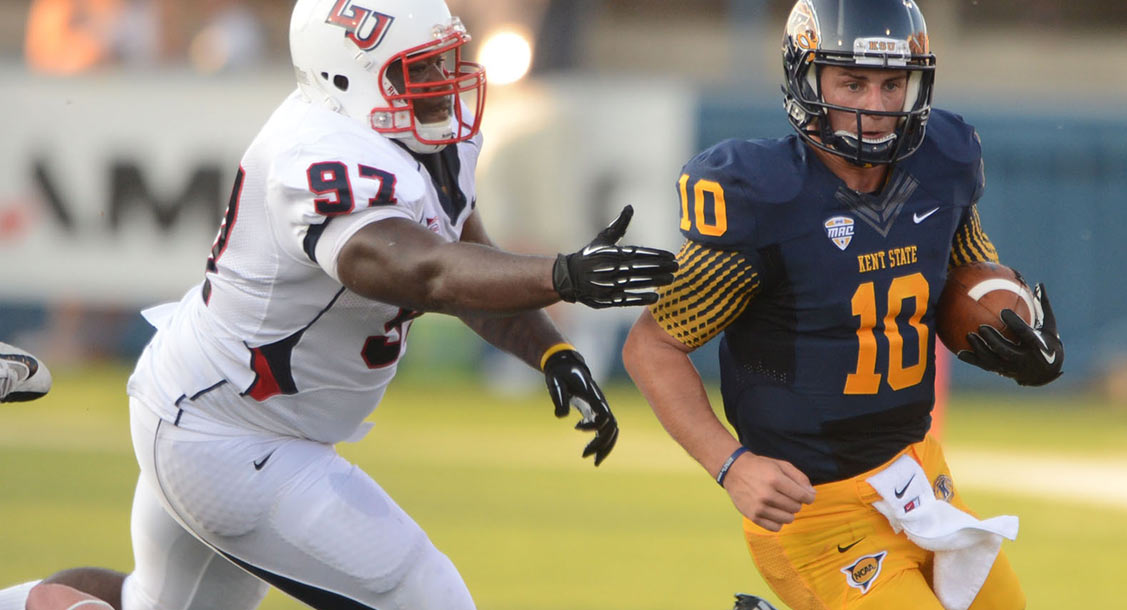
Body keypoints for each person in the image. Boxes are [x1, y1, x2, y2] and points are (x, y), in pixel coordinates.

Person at [0, 0, 676, 608]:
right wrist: (563, 275)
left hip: (222, 410)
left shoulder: (427, 132)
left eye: (445, 61)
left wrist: (551, 348)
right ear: (345, 76)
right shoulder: (317, 154)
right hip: (232, 436)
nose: (444, 82)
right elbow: (423, 271)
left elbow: (467, 258)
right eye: (419, 70)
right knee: (428, 598)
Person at [623, 1, 1063, 608]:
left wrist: (1019, 338)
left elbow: (968, 275)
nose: (876, 107)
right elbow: (653, 344)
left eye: (892, 83)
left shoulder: (942, 163)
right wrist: (730, 464)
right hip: (817, 513)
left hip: (922, 481)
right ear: (807, 79)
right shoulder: (766, 196)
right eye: (852, 82)